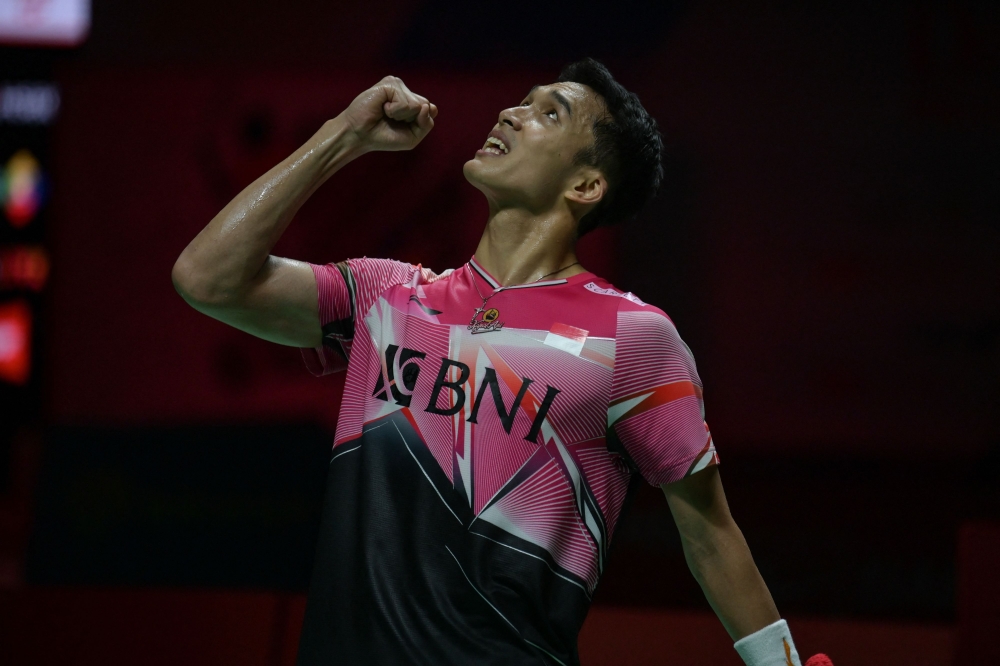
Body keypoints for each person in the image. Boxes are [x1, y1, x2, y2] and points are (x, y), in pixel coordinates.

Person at [173, 59, 805, 666]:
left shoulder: (634, 336)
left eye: (549, 114)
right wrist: (345, 135)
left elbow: (709, 532)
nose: (512, 114)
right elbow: (207, 278)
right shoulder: (388, 295)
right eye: (520, 101)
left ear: (585, 186)